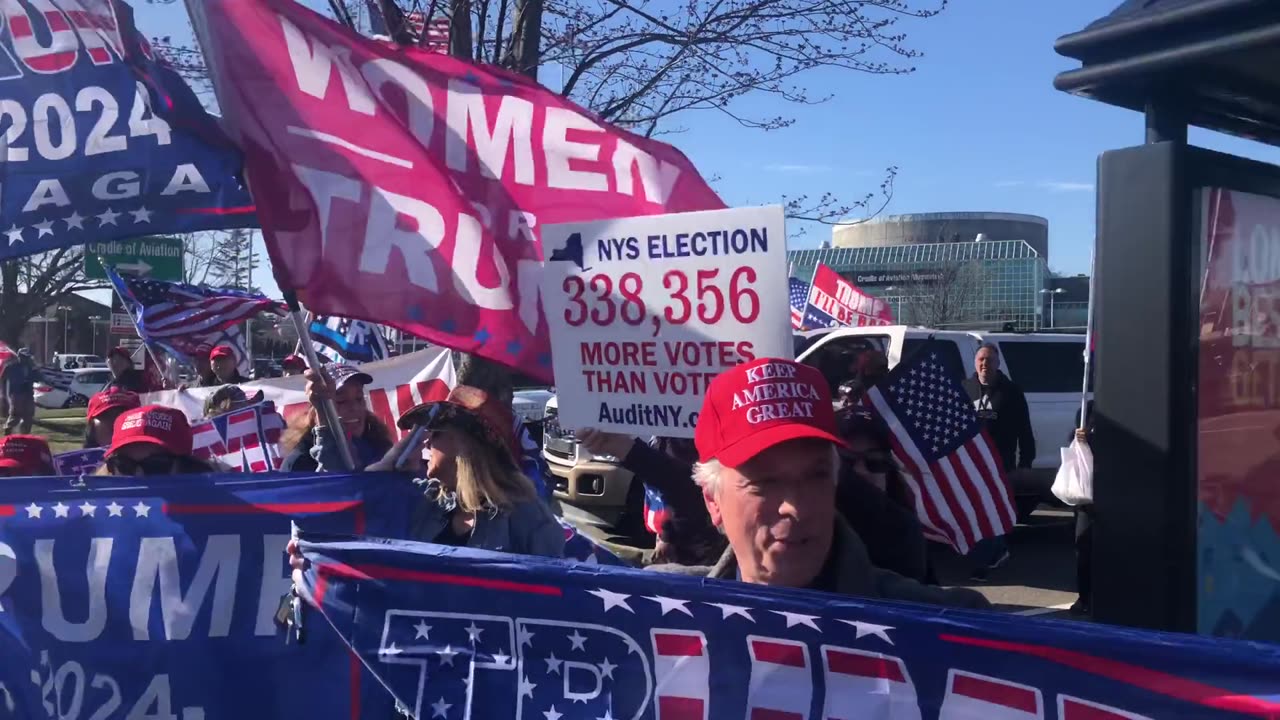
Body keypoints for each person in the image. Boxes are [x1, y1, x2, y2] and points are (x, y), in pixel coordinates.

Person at [649, 358, 989, 609]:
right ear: (713, 500)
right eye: (764, 482)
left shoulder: (935, 625)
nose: (795, 506)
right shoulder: (657, 614)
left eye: (816, 476)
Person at [371, 385, 564, 555]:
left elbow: (554, 586)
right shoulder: (425, 499)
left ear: (466, 445)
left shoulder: (526, 514)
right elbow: (357, 502)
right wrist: (389, 461)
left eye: (436, 434)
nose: (427, 443)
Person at [961, 342, 1034, 580]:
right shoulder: (965, 388)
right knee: (976, 508)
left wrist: (1025, 461)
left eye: (989, 360)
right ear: (975, 362)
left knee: (991, 508)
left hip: (999, 462)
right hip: (971, 462)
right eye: (981, 360)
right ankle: (996, 550)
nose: (985, 365)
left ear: (998, 363)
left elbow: (1024, 428)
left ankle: (984, 559)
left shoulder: (1011, 391)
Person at [279, 364, 394, 471]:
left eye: (359, 398)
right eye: (341, 401)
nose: (354, 407)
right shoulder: (299, 463)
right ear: (317, 408)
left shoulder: (381, 448)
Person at [95, 405, 219, 476]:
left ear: (186, 466)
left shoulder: (217, 514)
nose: (139, 476)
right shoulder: (92, 513)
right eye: (125, 466)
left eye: (155, 466)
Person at [1071, 401, 1095, 616]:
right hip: (1087, 494)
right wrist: (1079, 438)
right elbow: (1073, 448)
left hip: (1115, 491)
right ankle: (1084, 596)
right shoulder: (1087, 409)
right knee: (1083, 545)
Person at [2, 348, 38, 435]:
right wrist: (3, 392)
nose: (26, 359)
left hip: (28, 394)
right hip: (17, 394)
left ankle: (24, 435)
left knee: (28, 416)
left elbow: (38, 377)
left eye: (27, 357)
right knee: (15, 415)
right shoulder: (11, 367)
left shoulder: (31, 367)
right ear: (19, 356)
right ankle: (8, 433)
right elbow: (3, 378)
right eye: (24, 357)